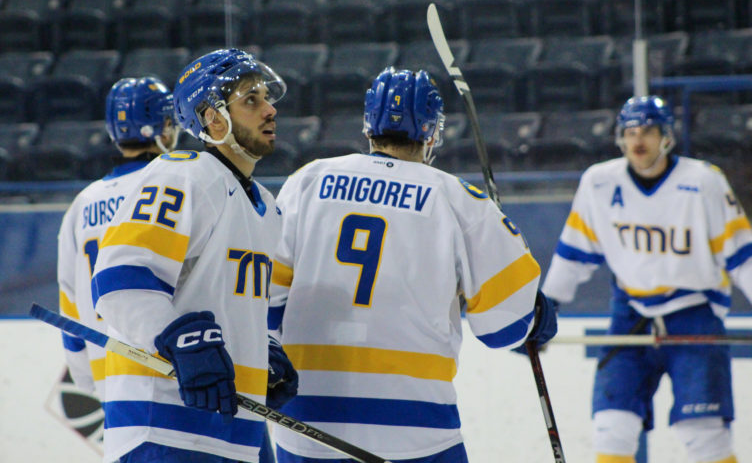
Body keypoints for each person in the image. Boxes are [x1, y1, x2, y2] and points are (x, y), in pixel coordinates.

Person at [267, 67, 557, 462]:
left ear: (368, 124)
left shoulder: (308, 180)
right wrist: (537, 315)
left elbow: (265, 301)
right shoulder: (458, 200)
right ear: (433, 132)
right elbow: (504, 328)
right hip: (416, 425)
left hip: (307, 422)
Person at [90, 48, 298, 463]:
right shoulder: (184, 173)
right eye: (251, 100)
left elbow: (226, 301)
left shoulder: (268, 207)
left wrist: (259, 349)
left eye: (266, 98)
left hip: (236, 433)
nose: (270, 109)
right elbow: (120, 283)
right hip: (163, 428)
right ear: (214, 119)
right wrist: (177, 338)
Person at [542, 96, 752, 463]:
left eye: (649, 131)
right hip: (631, 315)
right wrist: (544, 312)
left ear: (667, 137)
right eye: (630, 132)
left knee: (703, 434)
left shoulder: (704, 181)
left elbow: (742, 256)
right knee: (612, 426)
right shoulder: (599, 182)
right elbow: (574, 253)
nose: (639, 141)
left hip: (695, 315)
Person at [57, 75, 179, 401]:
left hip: (107, 373)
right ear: (164, 125)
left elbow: (69, 304)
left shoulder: (83, 202)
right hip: (170, 369)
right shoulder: (175, 186)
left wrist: (86, 378)